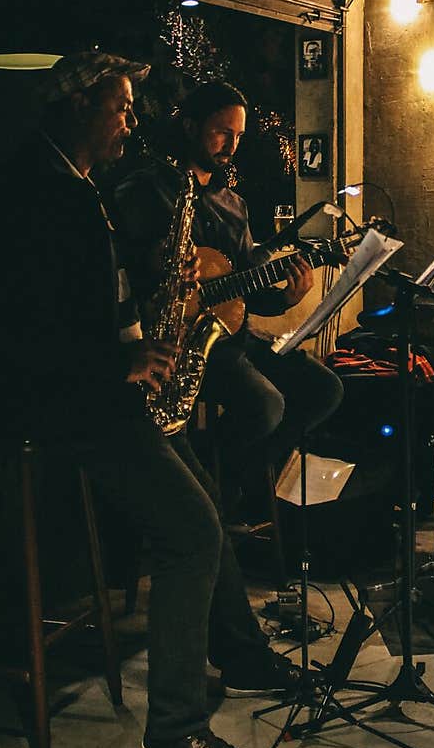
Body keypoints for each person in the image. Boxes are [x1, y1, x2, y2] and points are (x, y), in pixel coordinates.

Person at [0, 52, 300, 748]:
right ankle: (175, 728)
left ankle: (235, 658)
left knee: (203, 510)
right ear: (78, 108)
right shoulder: (39, 194)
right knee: (189, 529)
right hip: (62, 405)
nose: (128, 121)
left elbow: (78, 306)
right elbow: (19, 329)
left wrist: (139, 333)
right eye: (118, 107)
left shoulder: (68, 183)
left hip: (88, 390)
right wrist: (119, 361)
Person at [113, 79, 344, 522]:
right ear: (190, 126)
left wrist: (287, 297)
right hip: (175, 343)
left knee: (324, 389)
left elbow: (244, 293)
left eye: (238, 136)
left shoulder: (232, 204)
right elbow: (126, 267)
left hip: (230, 337)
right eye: (222, 132)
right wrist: (159, 263)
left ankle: (233, 480)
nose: (231, 145)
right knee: (266, 404)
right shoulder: (146, 187)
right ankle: (201, 479)